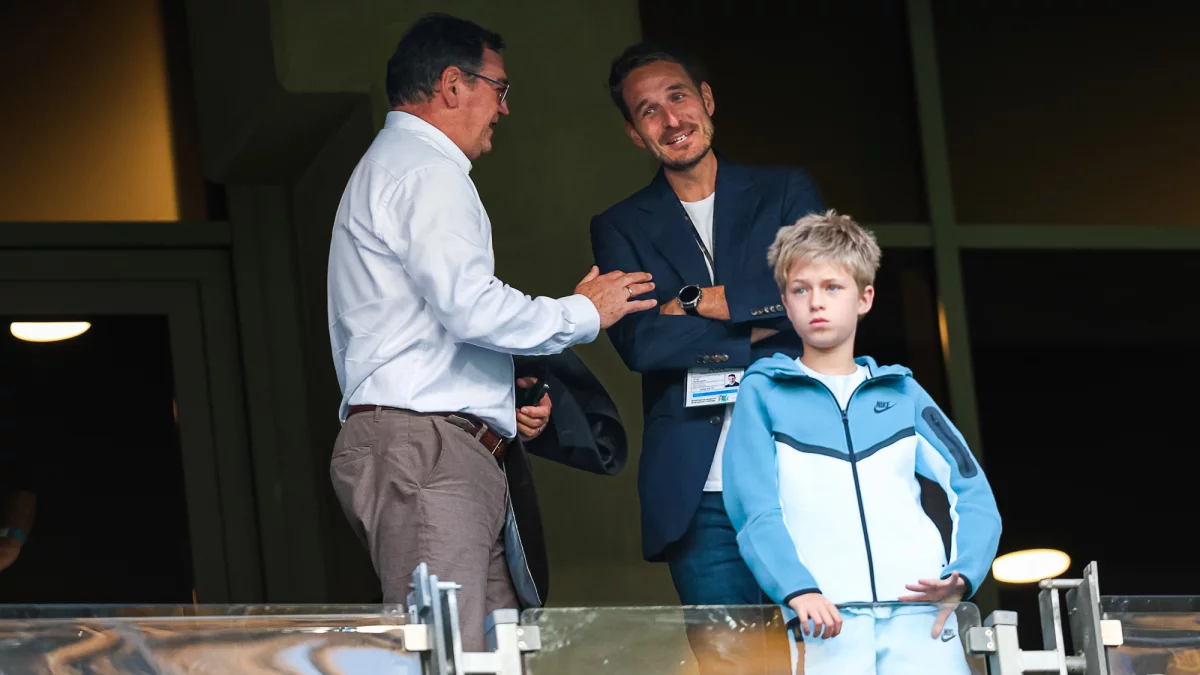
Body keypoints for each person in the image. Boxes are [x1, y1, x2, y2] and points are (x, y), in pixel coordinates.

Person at [326, 14, 655, 652]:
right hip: (427, 449)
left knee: (486, 654)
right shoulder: (426, 169)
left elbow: (427, 328)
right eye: (499, 89)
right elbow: (470, 307)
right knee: (449, 655)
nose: (504, 109)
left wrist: (503, 398)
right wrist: (582, 311)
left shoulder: (401, 165)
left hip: (433, 445)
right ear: (453, 85)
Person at [590, 43, 824, 611]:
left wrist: (691, 304)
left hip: (804, 469)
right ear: (634, 134)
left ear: (707, 100)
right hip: (701, 493)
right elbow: (643, 344)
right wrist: (763, 321)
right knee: (727, 654)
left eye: (678, 98)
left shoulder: (784, 193)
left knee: (826, 648)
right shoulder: (620, 225)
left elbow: (818, 293)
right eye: (649, 111)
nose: (671, 120)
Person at [722, 210, 1003, 675]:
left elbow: (970, 488)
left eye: (832, 287)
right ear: (785, 303)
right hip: (823, 617)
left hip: (920, 615)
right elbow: (753, 508)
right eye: (801, 290)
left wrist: (962, 576)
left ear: (864, 298)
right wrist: (796, 589)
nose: (816, 302)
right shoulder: (763, 391)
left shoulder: (903, 392)